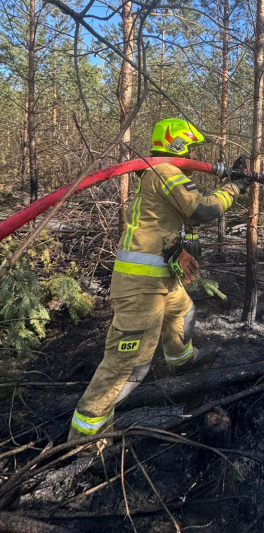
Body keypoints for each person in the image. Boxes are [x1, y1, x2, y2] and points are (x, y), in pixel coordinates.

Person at [68, 118, 251, 441]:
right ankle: (84, 438)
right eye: (189, 148)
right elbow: (201, 211)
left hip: (159, 281)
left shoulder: (156, 175)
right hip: (141, 288)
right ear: (177, 145)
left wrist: (176, 248)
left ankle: (181, 362)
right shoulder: (165, 172)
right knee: (128, 366)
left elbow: (163, 224)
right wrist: (235, 186)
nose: (193, 155)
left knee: (184, 311)